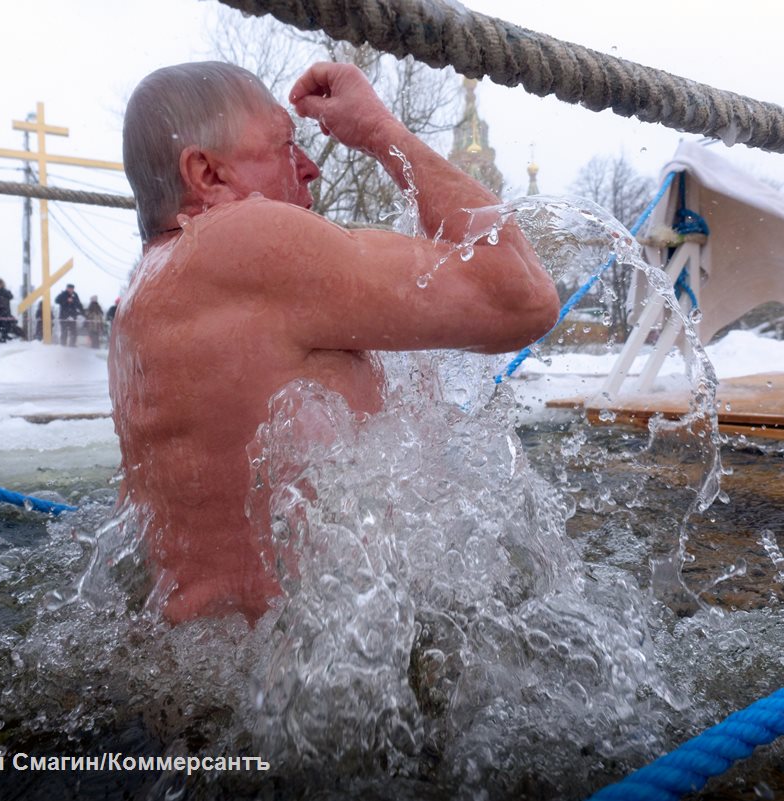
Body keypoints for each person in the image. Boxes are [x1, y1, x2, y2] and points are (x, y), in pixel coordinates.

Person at [110, 62, 558, 624]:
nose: (310, 166)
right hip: (292, 678)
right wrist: (379, 132)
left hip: (200, 671)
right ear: (207, 173)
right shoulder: (243, 243)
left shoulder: (146, 291)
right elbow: (522, 296)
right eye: (284, 145)